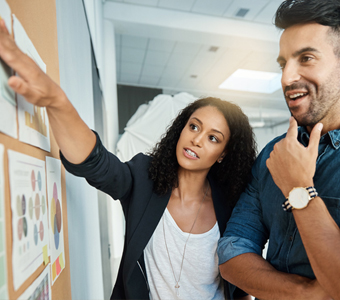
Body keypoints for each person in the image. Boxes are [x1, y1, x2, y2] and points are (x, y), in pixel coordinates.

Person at [0, 19, 256, 299]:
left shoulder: (231, 204)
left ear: (224, 155)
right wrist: (56, 101)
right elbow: (97, 164)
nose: (196, 138)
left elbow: (241, 285)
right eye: (194, 126)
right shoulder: (146, 177)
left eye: (213, 138)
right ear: (182, 128)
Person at [218, 0, 340, 299]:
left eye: (307, 58)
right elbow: (232, 252)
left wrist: (298, 187)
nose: (287, 78)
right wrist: (305, 293)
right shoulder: (275, 153)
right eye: (284, 63)